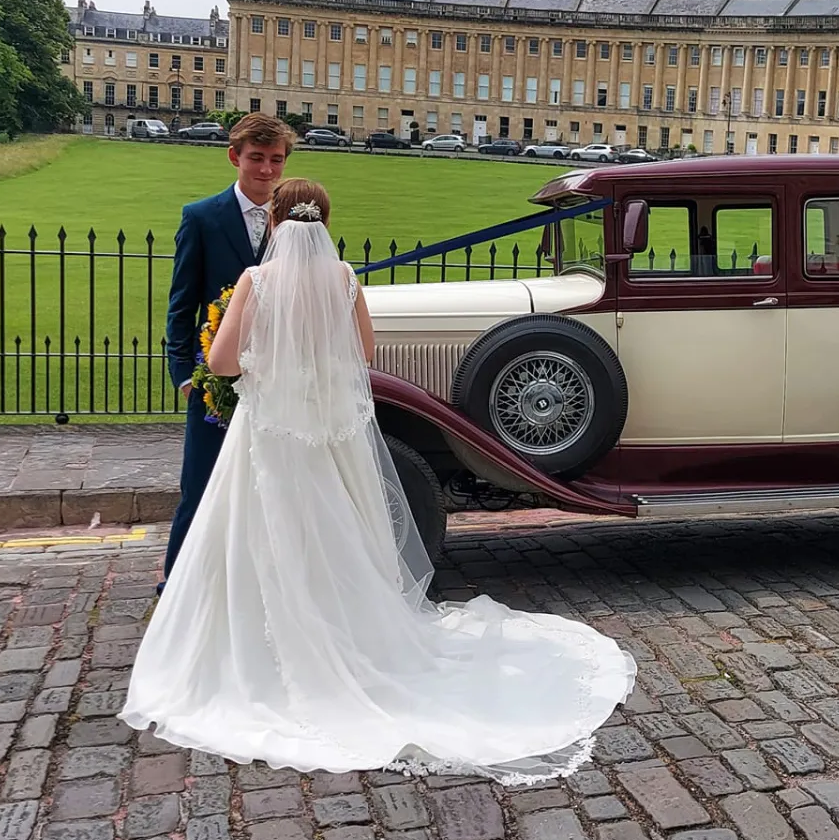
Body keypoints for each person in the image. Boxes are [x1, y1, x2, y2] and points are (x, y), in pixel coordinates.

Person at [123, 179, 637, 781]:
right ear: (324, 221)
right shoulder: (343, 278)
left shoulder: (256, 283)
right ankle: (348, 632)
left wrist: (253, 353)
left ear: (277, 223)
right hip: (326, 427)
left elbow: (222, 364)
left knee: (260, 527)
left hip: (270, 429)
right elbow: (363, 350)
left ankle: (255, 644)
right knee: (335, 525)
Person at [161, 113, 292, 594]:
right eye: (256, 159)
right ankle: (177, 585)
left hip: (277, 381)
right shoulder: (202, 217)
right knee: (201, 487)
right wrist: (184, 375)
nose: (266, 171)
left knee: (269, 488)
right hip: (215, 379)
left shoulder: (295, 222)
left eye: (275, 160)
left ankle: (254, 587)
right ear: (235, 156)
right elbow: (181, 308)